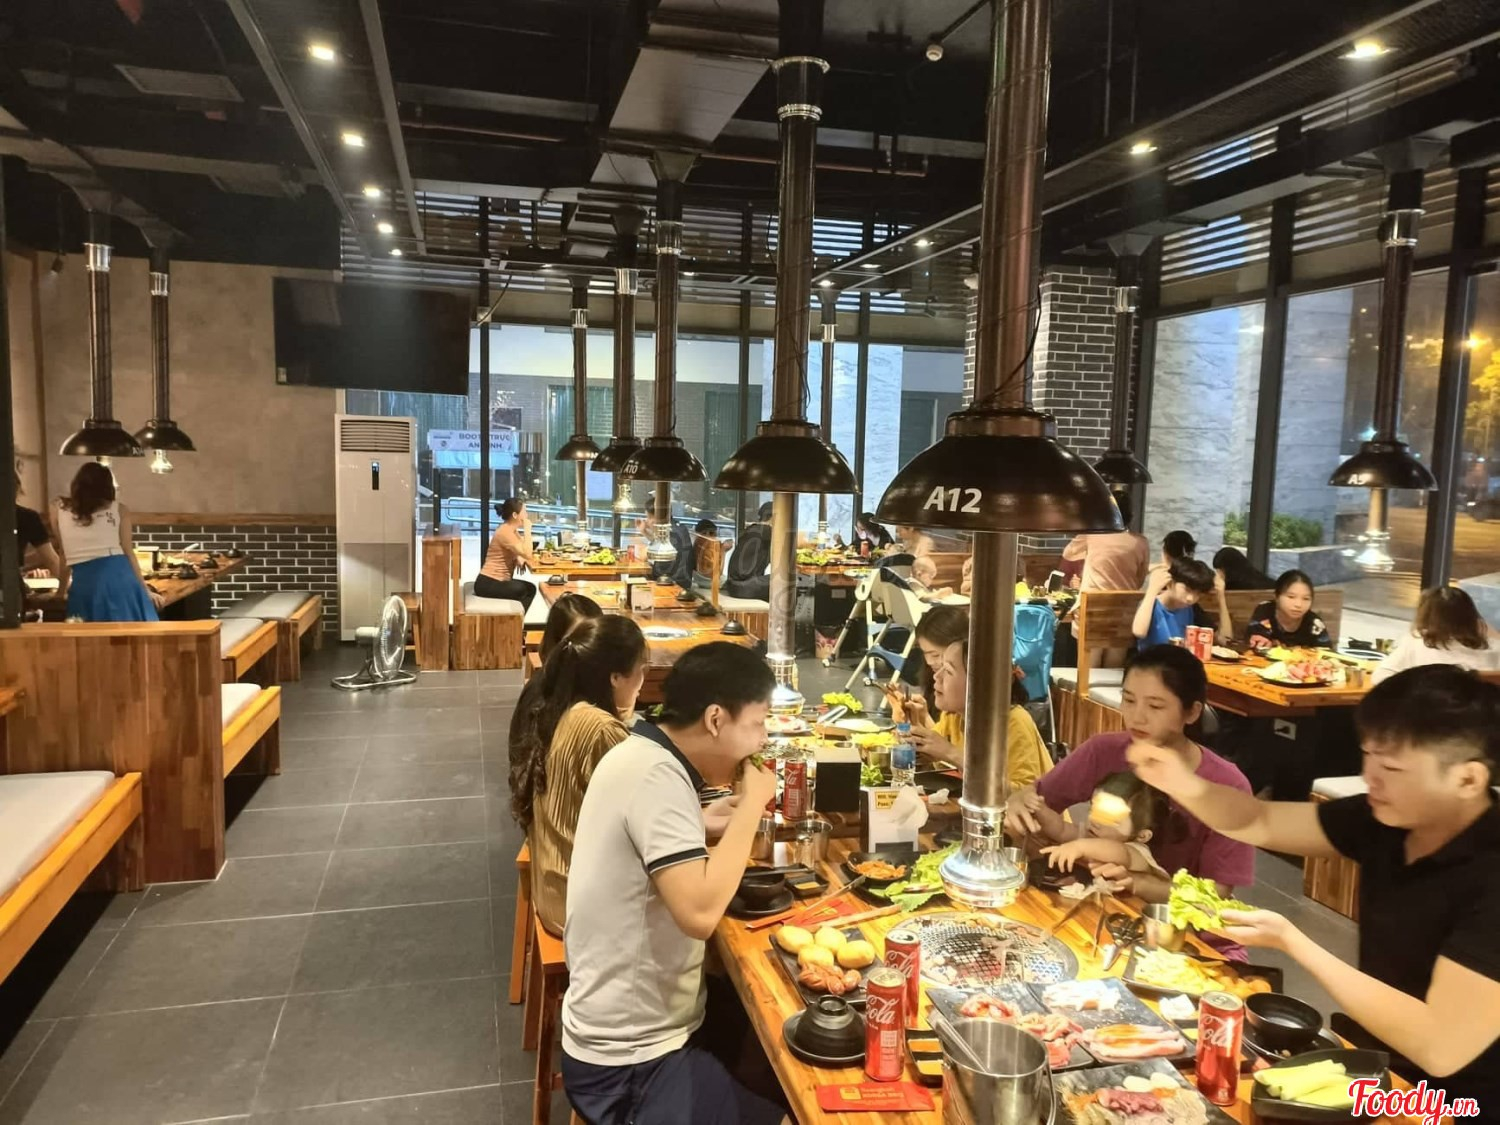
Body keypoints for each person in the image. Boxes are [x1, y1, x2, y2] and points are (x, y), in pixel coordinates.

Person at [1124, 666, 1500, 1109]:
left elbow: (1441, 1046)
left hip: (1462, 1101)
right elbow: (1258, 820)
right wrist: (1182, 782)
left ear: (1468, 780)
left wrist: (1292, 941)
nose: (1370, 776)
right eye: (1368, 755)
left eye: (1392, 767)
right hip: (1380, 1064)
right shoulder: (1388, 819)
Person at [561, 643, 787, 1125]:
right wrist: (751, 805)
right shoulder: (656, 778)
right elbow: (700, 915)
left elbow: (639, 840)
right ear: (715, 719)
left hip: (636, 1023)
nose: (763, 739)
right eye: (757, 723)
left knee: (777, 1042)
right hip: (630, 1060)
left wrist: (700, 822)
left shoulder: (642, 752)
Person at [1005, 645, 1254, 907]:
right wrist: (1021, 799)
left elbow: (1217, 892)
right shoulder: (1104, 750)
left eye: (1155, 706)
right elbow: (1038, 799)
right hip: (1103, 906)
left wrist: (1139, 883)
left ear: (1192, 712)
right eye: (1129, 700)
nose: (1137, 717)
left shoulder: (1228, 786)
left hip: (1183, 923)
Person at [509, 615, 647, 936]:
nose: (643, 682)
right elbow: (645, 821)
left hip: (553, 887)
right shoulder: (602, 729)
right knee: (698, 915)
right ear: (616, 677)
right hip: (579, 908)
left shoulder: (565, 707)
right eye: (642, 670)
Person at [907, 636, 1052, 791]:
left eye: (948, 671)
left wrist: (951, 753)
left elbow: (1024, 794)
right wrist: (911, 725)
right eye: (940, 668)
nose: (936, 676)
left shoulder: (1013, 721)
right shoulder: (954, 716)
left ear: (977, 684)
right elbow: (932, 754)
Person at [508, 592, 605, 774]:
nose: (589, 646)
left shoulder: (587, 682)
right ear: (556, 642)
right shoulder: (545, 696)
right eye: (578, 640)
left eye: (595, 637)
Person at [51, 463, 160, 622]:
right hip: (120, 576)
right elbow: (128, 551)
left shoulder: (58, 508)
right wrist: (145, 590)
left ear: (76, 484)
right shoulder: (119, 509)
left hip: (84, 582)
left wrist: (60, 592)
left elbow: (64, 553)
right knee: (130, 631)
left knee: (87, 633)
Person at [1039, 771, 1170, 880]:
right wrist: (1039, 809)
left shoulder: (1138, 852)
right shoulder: (1095, 837)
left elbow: (1120, 852)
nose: (1096, 821)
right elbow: (1061, 830)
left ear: (1142, 836)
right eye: (1094, 809)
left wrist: (1079, 847)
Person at [1373, 586, 1500, 685]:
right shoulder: (1494, 648)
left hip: (1429, 709)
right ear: (1471, 615)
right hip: (1481, 710)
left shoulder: (1417, 642)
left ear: (1426, 615)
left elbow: (1381, 677)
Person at [1133, 557, 1230, 649]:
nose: (1191, 598)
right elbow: (1139, 632)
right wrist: (1152, 590)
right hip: (1153, 660)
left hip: (1181, 659)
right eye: (1187, 589)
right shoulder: (1151, 604)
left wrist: (1221, 598)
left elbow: (1225, 639)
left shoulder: (1192, 608)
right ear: (1170, 583)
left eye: (1197, 594)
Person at [1062, 491, 1150, 591]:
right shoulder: (1142, 542)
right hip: (1128, 600)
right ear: (1131, 515)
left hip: (1093, 599)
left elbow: (1068, 554)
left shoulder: (1092, 535)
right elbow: (1140, 580)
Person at [1245, 569, 1332, 651]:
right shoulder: (1265, 610)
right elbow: (1256, 638)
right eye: (1291, 597)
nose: (1298, 604)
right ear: (1277, 596)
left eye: (1306, 599)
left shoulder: (1315, 624)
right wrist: (1259, 641)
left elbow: (1326, 653)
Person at [476, 497, 538, 611]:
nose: (526, 515)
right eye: (524, 512)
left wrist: (517, 556)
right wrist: (528, 529)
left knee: (530, 588)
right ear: (515, 515)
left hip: (496, 581)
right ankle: (515, 620)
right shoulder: (505, 531)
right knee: (523, 589)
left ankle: (516, 620)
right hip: (488, 582)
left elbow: (520, 550)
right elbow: (527, 553)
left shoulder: (511, 530)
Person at [15, 468, 58, 577]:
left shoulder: (27, 517)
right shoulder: (26, 516)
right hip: (11, 583)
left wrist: (26, 574)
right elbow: (51, 561)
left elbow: (51, 561)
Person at [724, 502, 771, 601]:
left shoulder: (753, 529)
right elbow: (796, 541)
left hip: (734, 585)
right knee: (785, 580)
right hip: (743, 586)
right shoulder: (766, 531)